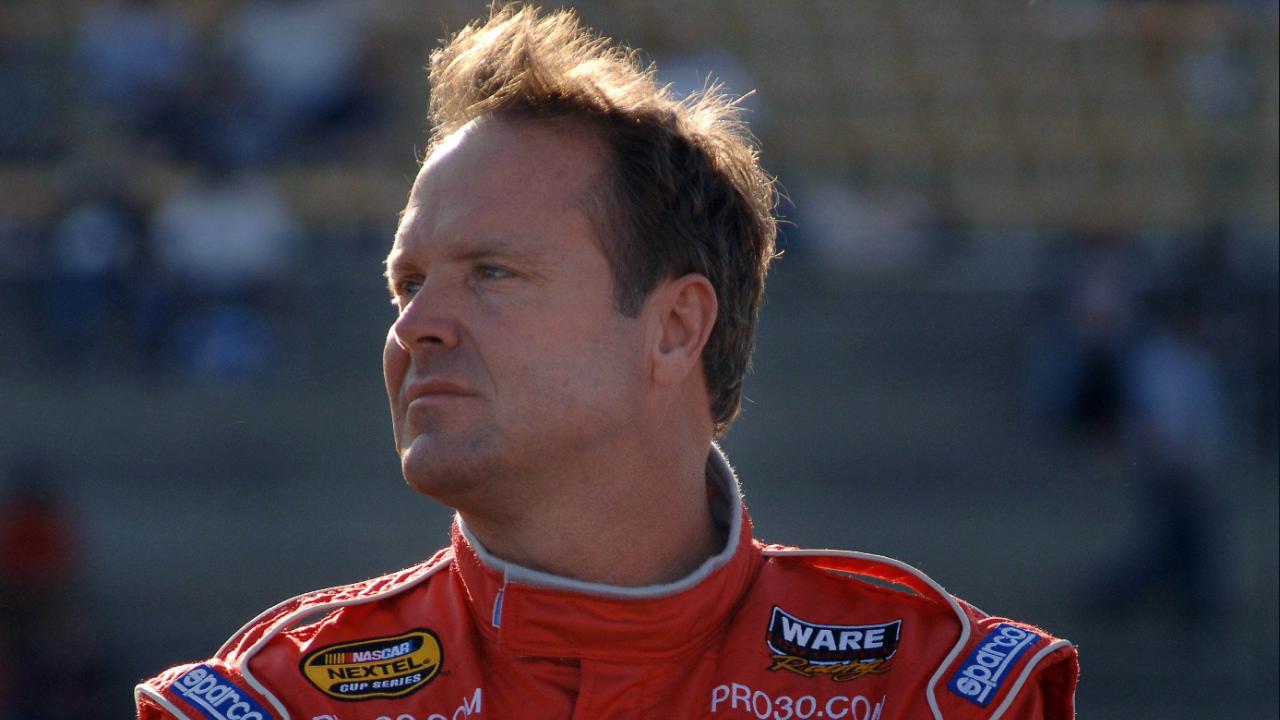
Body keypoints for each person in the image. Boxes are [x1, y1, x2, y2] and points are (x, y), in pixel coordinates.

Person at [136, 6, 1077, 719]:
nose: (416, 324)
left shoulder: (928, 685)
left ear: (674, 329)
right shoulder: (281, 698)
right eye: (406, 282)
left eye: (491, 273)